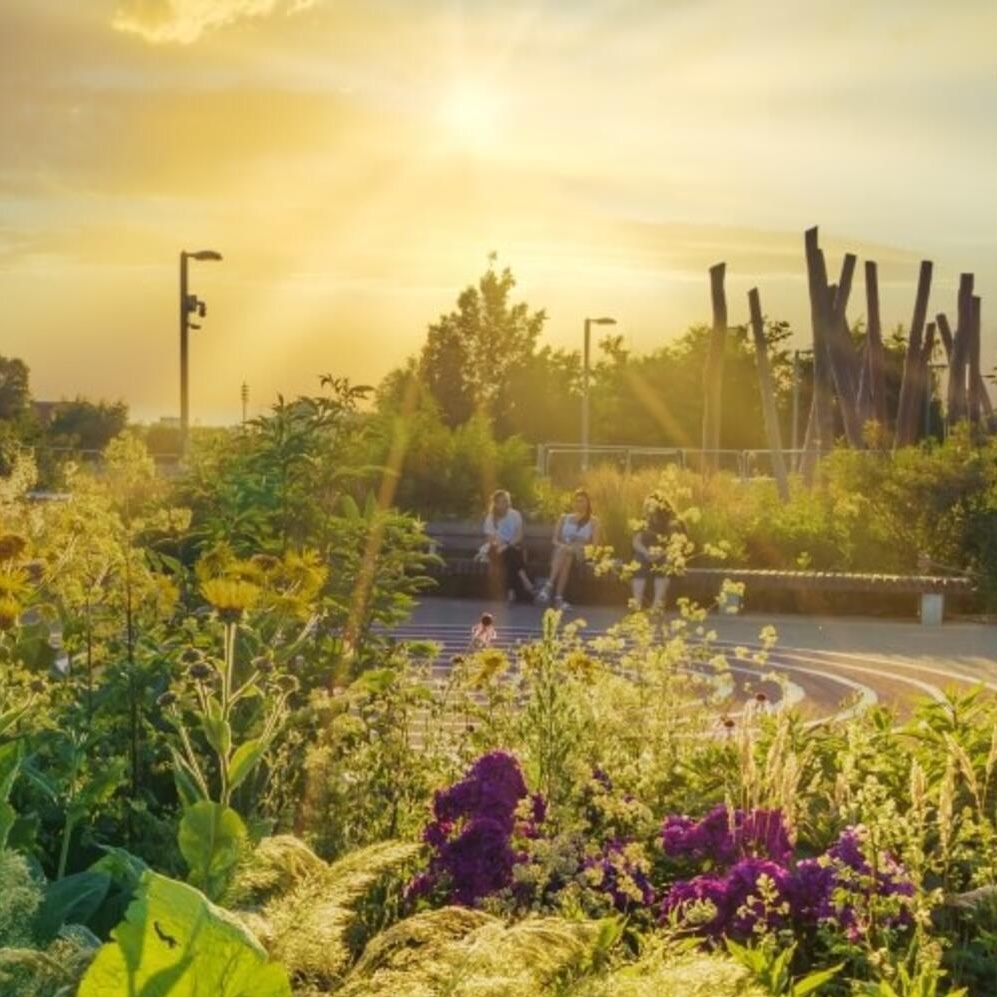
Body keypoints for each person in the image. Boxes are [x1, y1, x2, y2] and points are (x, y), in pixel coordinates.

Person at [537, 489, 600, 610]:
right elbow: (555, 539)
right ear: (573, 503)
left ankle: (548, 586)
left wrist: (580, 545)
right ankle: (558, 599)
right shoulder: (564, 518)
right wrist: (563, 545)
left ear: (588, 503)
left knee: (566, 553)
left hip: (581, 552)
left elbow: (595, 545)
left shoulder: (594, 521)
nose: (579, 504)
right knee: (566, 555)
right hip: (562, 550)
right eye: (577, 501)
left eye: (582, 501)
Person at [481, 489, 536, 603]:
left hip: (511, 547)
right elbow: (490, 539)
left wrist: (508, 545)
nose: (504, 504)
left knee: (510, 555)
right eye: (501, 502)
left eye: (506, 501)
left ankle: (511, 592)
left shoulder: (515, 515)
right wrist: (500, 545)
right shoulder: (490, 518)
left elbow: (519, 535)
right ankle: (524, 579)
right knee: (511, 555)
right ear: (495, 504)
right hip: (495, 549)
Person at [631, 492, 683, 612]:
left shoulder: (671, 522)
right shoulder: (643, 521)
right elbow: (636, 541)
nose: (649, 507)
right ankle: (637, 603)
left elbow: (674, 544)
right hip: (646, 553)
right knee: (638, 560)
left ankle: (657, 605)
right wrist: (646, 552)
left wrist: (660, 553)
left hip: (665, 553)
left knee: (663, 564)